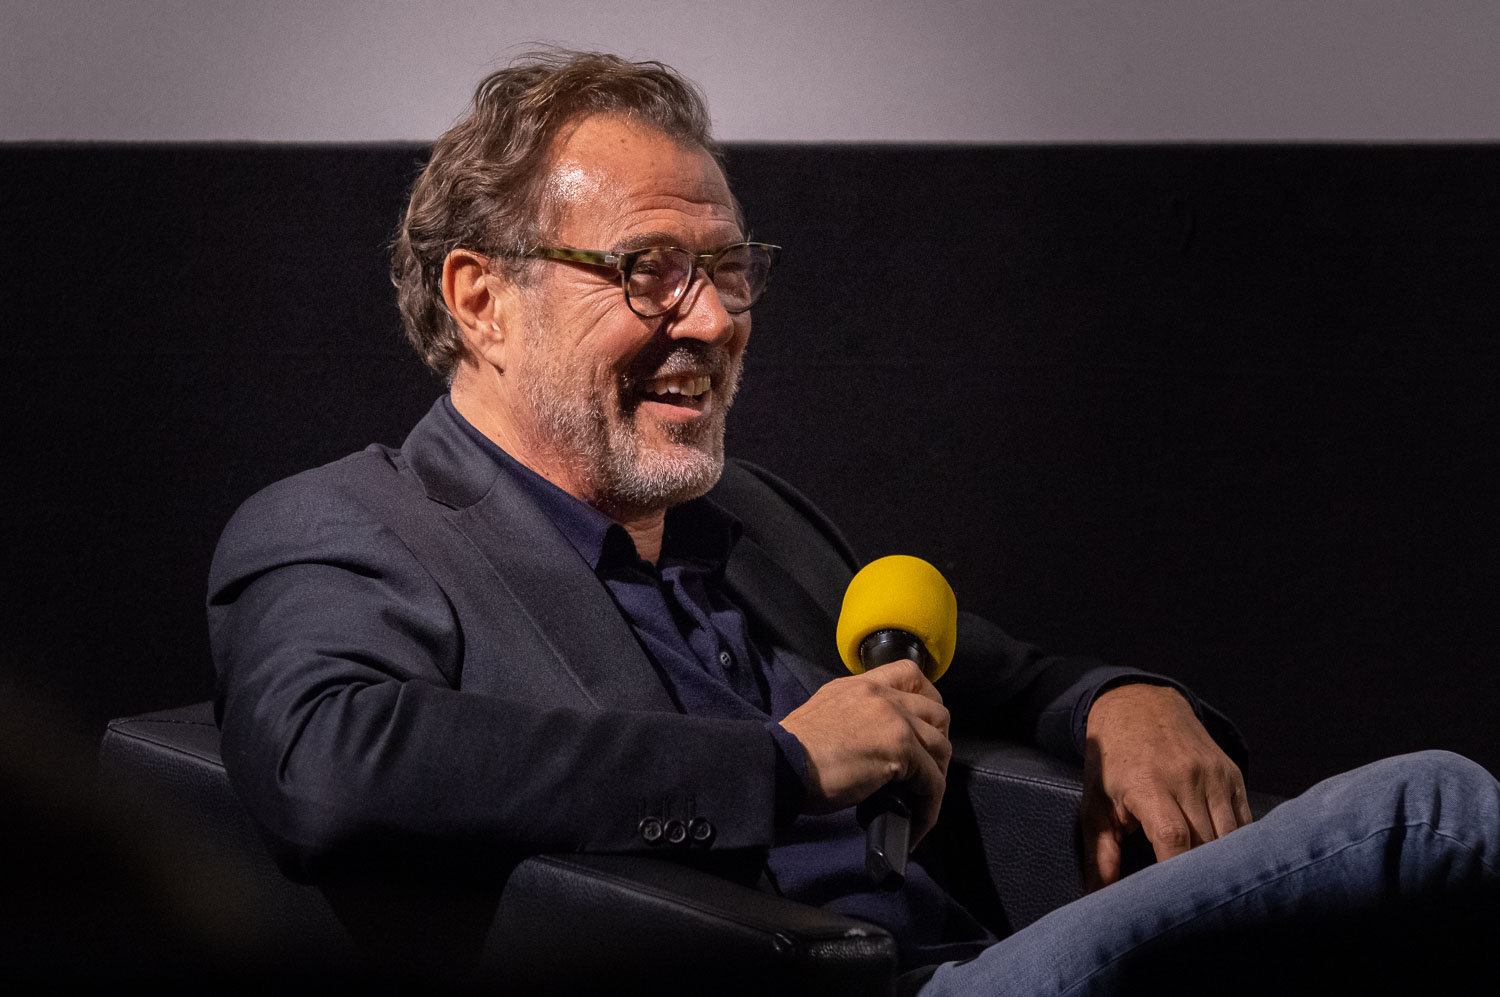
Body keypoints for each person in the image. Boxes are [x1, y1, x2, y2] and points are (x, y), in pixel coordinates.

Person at [208, 50, 1498, 993]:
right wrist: (784, 765)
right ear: (482, 298)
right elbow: (330, 766)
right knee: (1435, 817)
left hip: (977, 960)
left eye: (728, 273)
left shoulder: (748, 518)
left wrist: (1120, 700)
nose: (710, 321)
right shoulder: (351, 526)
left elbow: (991, 669)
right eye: (652, 270)